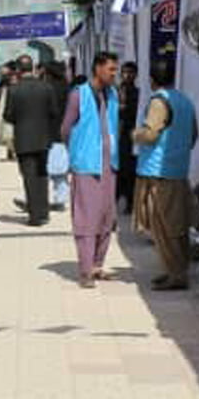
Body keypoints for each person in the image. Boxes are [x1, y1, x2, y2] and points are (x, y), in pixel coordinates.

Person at [131, 60, 197, 291]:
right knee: (177, 224)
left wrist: (134, 134)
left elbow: (150, 135)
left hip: (159, 171)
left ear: (151, 80)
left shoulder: (159, 102)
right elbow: (194, 135)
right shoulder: (185, 101)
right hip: (178, 168)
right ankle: (176, 269)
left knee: (163, 225)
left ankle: (176, 274)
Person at [62, 52, 122, 289]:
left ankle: (98, 264)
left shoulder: (112, 95)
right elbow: (66, 129)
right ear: (97, 68)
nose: (113, 73)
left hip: (109, 164)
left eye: (115, 69)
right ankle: (85, 270)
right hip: (87, 165)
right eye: (110, 69)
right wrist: (77, 151)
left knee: (107, 216)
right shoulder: (79, 95)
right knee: (87, 218)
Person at [3, 56, 59, 226]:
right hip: (43, 138)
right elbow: (54, 111)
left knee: (29, 177)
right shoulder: (46, 87)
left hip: (23, 139)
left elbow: (8, 115)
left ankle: (35, 215)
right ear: (33, 68)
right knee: (42, 176)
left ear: (18, 70)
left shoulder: (14, 90)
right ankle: (44, 212)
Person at [115, 60, 141, 214]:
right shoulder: (115, 92)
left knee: (130, 171)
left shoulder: (137, 93)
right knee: (117, 171)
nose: (126, 75)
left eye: (130, 72)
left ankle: (130, 203)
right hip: (117, 135)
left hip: (129, 136)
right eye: (124, 72)